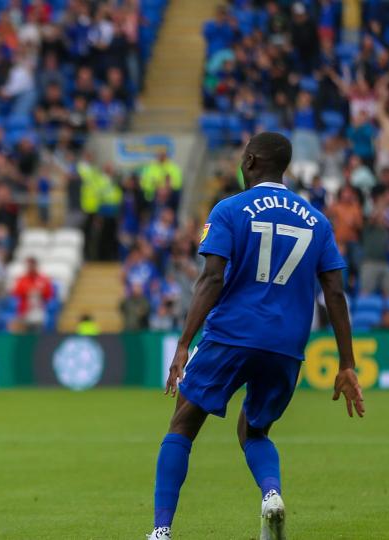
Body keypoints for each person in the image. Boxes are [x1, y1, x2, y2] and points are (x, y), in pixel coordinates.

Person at [147, 133, 365, 540]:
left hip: (232, 333)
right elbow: (334, 292)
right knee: (256, 429)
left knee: (183, 422)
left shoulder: (230, 209)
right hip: (286, 345)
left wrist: (183, 344)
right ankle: (271, 495)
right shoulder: (317, 219)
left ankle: (161, 531)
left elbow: (211, 279)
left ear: (249, 162)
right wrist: (347, 364)